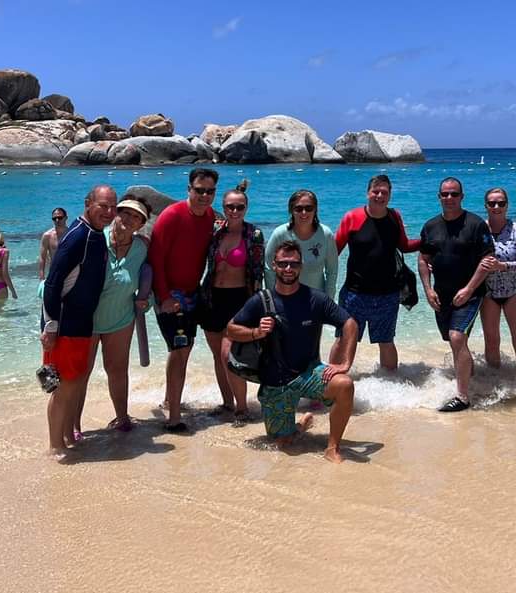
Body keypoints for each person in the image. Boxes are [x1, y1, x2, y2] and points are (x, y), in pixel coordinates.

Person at [227, 241, 358, 463]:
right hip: (274, 383)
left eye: (294, 264)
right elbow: (231, 329)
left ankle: (332, 448)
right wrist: (256, 332)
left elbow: (350, 323)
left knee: (344, 385)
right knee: (283, 445)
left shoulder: (315, 299)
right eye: (283, 264)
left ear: (301, 266)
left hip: (308, 374)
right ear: (274, 265)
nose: (289, 269)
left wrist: (345, 363)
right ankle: (301, 425)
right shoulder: (262, 300)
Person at [41, 185, 117, 457]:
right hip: (64, 325)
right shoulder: (77, 236)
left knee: (75, 383)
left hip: (82, 324)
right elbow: (52, 284)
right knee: (62, 386)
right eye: (102, 206)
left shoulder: (96, 236)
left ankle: (66, 438)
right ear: (88, 204)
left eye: (112, 207)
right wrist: (50, 327)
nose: (108, 212)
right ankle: (55, 446)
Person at [148, 168, 218, 433]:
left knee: (181, 351)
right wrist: (164, 297)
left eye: (209, 191)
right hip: (169, 295)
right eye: (199, 190)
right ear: (188, 189)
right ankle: (174, 418)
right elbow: (156, 258)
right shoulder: (171, 216)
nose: (204, 196)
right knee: (180, 352)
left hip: (192, 294)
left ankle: (169, 400)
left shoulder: (210, 216)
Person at [74, 197, 151, 436]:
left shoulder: (142, 247)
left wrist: (147, 299)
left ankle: (122, 417)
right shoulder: (95, 240)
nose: (128, 219)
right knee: (80, 374)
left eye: (136, 216)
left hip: (120, 318)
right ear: (114, 214)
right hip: (86, 320)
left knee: (117, 370)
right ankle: (74, 425)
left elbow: (150, 273)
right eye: (124, 213)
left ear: (141, 224)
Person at [418, 177, 495, 412]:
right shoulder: (431, 226)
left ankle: (462, 396)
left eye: (454, 194)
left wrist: (469, 289)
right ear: (439, 197)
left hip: (470, 293)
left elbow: (487, 260)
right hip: (442, 294)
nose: (449, 198)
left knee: (457, 337)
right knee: (453, 341)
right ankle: (470, 376)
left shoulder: (475, 224)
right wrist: (428, 289)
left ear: (462, 197)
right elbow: (423, 259)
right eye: (445, 194)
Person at [333, 174, 420, 371]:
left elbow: (404, 245)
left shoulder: (394, 216)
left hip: (388, 294)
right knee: (344, 339)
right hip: (354, 294)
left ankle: (389, 386)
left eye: (384, 192)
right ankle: (330, 383)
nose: (379, 196)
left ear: (389, 195)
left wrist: (427, 242)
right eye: (376, 191)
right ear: (368, 193)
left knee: (386, 341)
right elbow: (334, 251)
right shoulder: (352, 217)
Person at [199, 181, 265, 423]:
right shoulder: (215, 230)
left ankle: (242, 407)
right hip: (212, 298)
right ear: (223, 208)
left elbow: (257, 273)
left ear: (246, 208)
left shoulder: (254, 234)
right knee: (218, 355)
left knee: (230, 354)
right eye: (229, 207)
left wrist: (258, 306)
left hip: (240, 300)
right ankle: (227, 403)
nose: (234, 211)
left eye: (239, 207)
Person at [478, 187, 516, 382]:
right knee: (492, 340)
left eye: (501, 203)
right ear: (485, 206)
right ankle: (495, 383)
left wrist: (501, 266)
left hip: (513, 292)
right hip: (487, 292)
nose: (496, 207)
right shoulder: (479, 229)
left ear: (507, 205)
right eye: (492, 203)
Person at [264, 189, 338, 298]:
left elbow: (332, 272)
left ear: (315, 210)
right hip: (285, 300)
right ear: (291, 211)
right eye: (298, 209)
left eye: (309, 208)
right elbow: (269, 269)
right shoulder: (280, 234)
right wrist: (273, 300)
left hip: (316, 301)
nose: (304, 212)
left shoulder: (325, 234)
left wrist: (328, 301)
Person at [37, 208, 68, 281]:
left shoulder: (71, 234)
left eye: (60, 218)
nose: (57, 220)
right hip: (54, 272)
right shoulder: (47, 236)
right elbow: (42, 257)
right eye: (54, 218)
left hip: (70, 272)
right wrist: (41, 277)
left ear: (66, 218)